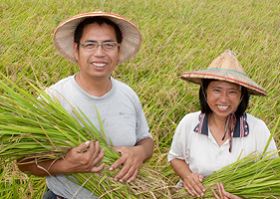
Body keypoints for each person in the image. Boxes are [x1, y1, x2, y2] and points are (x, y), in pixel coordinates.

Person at [17, 11, 154, 199]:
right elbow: (24, 162)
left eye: (109, 45)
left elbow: (146, 140)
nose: (100, 53)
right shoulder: (54, 98)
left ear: (118, 50)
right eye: (90, 44)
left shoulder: (128, 94)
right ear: (76, 50)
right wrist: (66, 165)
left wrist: (139, 152)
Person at [168, 50, 278, 198]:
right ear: (205, 92)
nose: (224, 99)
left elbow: (273, 176)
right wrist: (188, 176)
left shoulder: (258, 129)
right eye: (217, 90)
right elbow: (176, 157)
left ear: (241, 96)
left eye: (232, 92)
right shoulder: (189, 123)